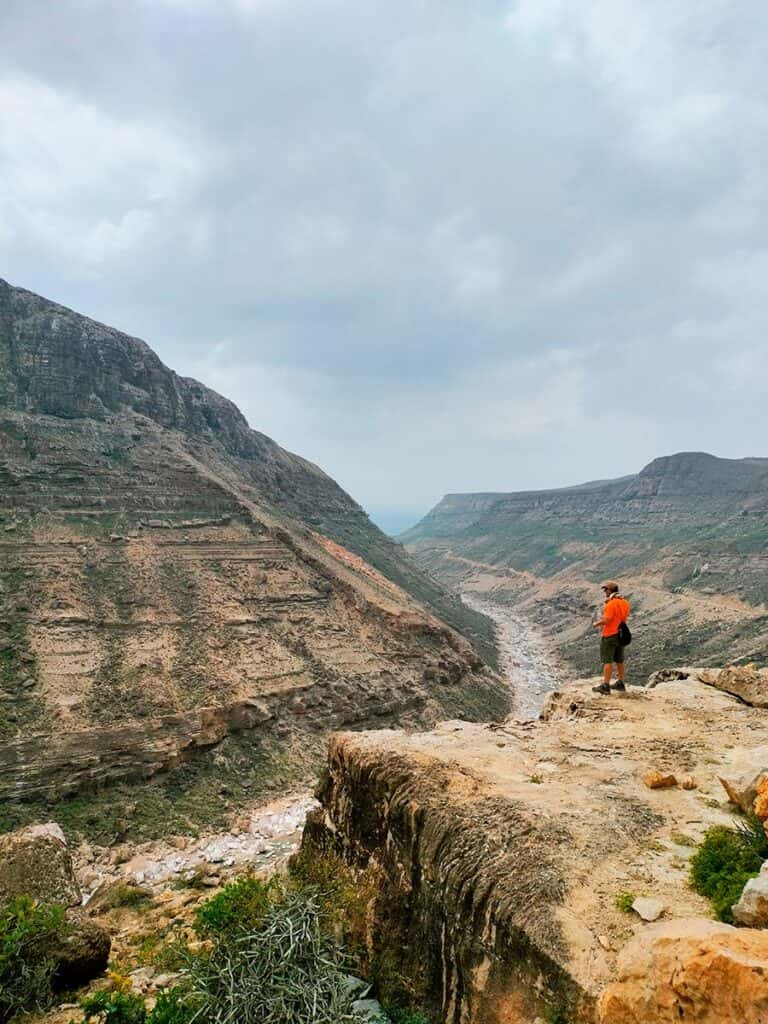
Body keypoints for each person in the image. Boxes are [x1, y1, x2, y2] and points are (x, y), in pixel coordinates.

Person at [591, 580, 631, 695]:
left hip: (610, 634)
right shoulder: (624, 602)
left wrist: (596, 624)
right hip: (621, 634)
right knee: (619, 660)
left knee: (607, 661)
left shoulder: (611, 604)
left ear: (610, 590)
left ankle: (606, 686)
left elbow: (607, 620)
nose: (605, 592)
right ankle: (620, 683)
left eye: (605, 590)